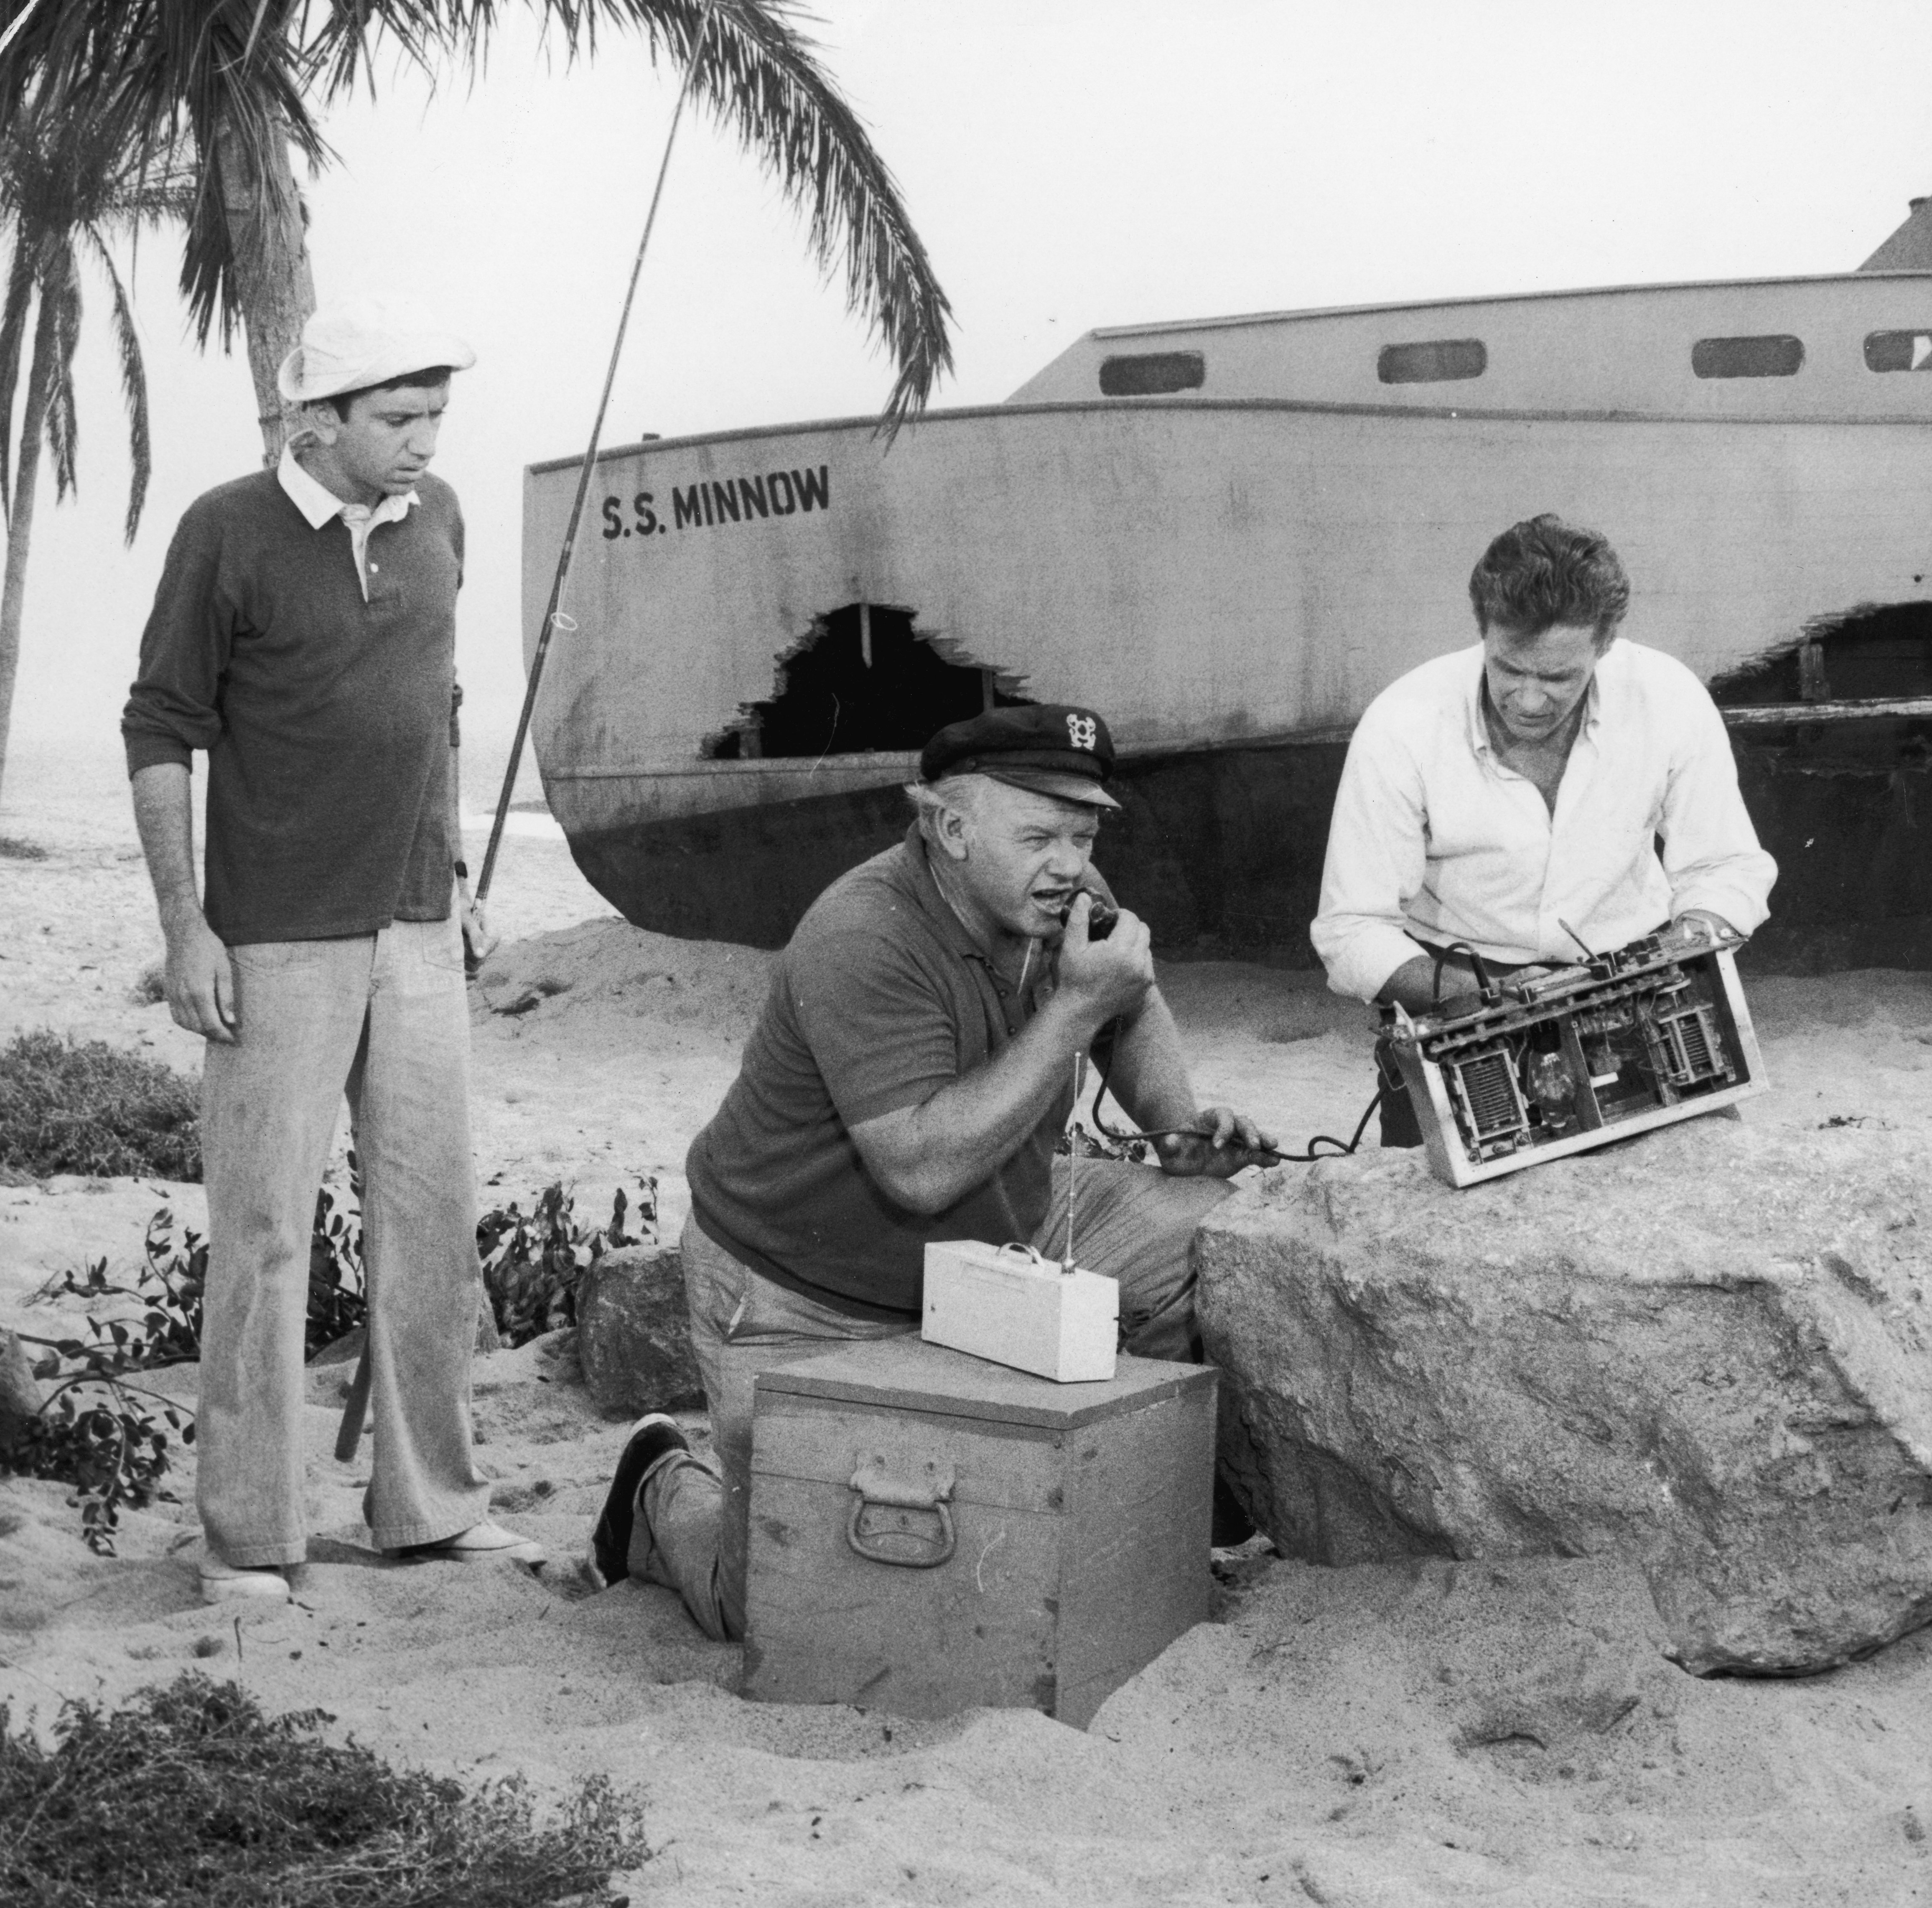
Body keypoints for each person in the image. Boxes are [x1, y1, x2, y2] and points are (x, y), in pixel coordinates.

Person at [585, 705, 1278, 1640]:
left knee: (1208, 1232)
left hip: (1000, 1241)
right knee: (792, 1617)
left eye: (1082, 833)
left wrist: (1173, 1124)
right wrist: (1074, 1011)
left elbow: (1128, 994)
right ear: (948, 829)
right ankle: (657, 1486)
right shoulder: (862, 934)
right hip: (805, 1294)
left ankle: (1156, 1512)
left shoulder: (1052, 888)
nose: (1070, 863)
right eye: (1039, 835)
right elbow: (916, 1168)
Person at [122, 296, 537, 1603]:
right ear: (317, 420)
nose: (424, 442)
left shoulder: (443, 520)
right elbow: (158, 730)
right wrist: (185, 927)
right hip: (273, 936)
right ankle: (250, 1532)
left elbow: (442, 707)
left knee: (429, 1223)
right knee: (261, 1232)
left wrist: (457, 874)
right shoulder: (225, 531)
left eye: (435, 417)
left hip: (416, 923)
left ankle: (432, 1507)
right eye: (398, 419)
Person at [1311, 512, 1777, 1145]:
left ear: (1604, 646)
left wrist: (1685, 946)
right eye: (1510, 669)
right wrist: (1481, 997)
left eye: (1559, 677)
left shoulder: (1667, 695)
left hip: (1636, 986)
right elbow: (1352, 927)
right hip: (1458, 996)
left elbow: (1726, 866)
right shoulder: (1402, 723)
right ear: (1483, 632)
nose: (1530, 701)